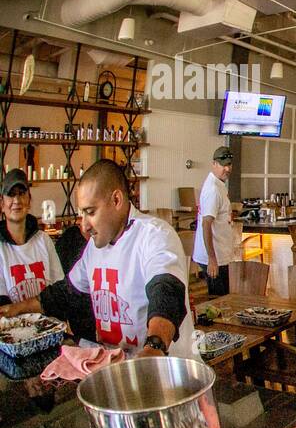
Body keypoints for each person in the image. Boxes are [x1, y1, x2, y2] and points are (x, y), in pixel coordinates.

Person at [0, 160, 196, 359]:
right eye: (82, 214)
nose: (84, 226)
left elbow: (166, 291)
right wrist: (16, 309)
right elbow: (66, 293)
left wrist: (155, 346)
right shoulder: (94, 248)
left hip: (166, 372)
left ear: (117, 200)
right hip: (117, 370)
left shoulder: (154, 235)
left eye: (91, 212)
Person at [0, 168, 64, 306]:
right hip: (13, 326)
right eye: (11, 194)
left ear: (29, 200)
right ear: (1, 204)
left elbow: (59, 291)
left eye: (21, 193)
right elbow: (3, 306)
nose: (17, 200)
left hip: (48, 326)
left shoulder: (44, 240)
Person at [193, 146, 238, 297]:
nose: (227, 168)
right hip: (215, 257)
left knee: (221, 300)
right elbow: (206, 224)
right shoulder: (213, 189)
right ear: (214, 164)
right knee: (219, 302)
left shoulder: (218, 185)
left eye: (229, 164)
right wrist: (212, 258)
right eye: (223, 164)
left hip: (219, 254)